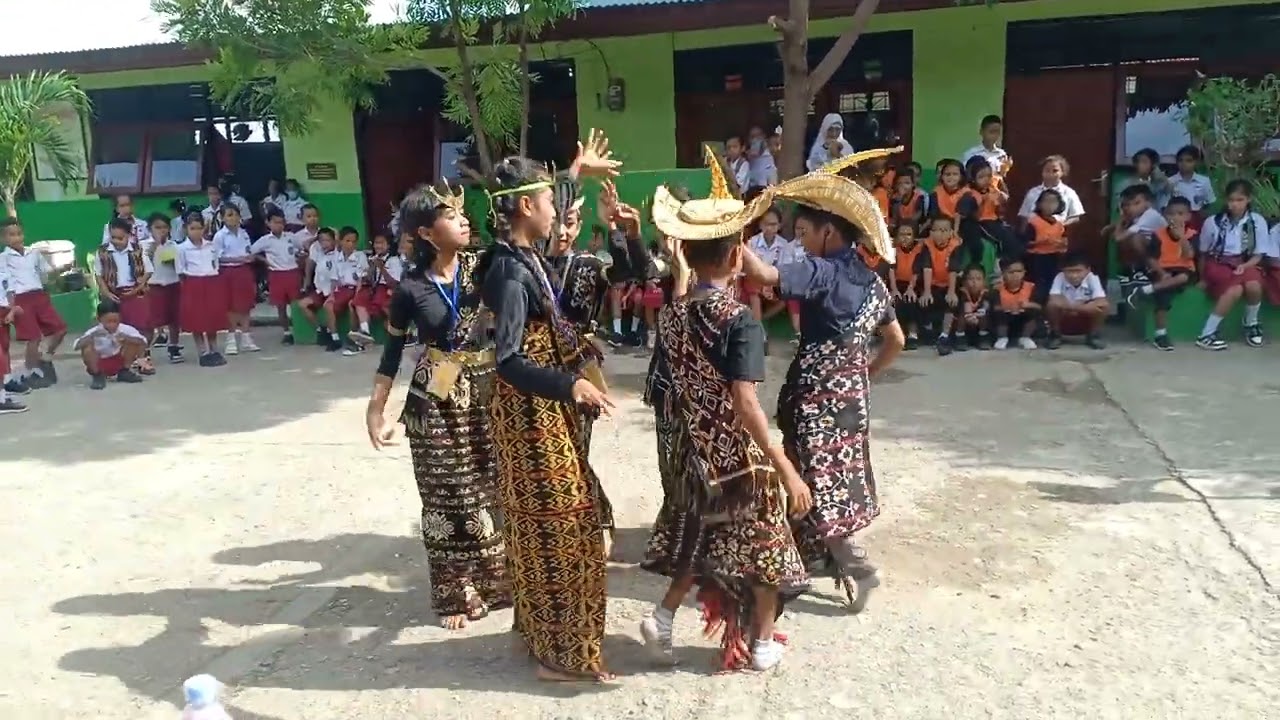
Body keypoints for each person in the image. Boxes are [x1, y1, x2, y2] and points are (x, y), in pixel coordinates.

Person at [642, 184, 809, 673]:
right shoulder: (740, 321)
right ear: (738, 253)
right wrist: (785, 469)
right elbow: (744, 400)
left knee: (702, 539)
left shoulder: (671, 315)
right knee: (767, 546)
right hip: (740, 457)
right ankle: (760, 644)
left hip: (696, 453)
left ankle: (664, 615)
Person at [477, 132, 619, 683]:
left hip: (541, 407)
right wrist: (571, 386)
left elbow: (549, 192)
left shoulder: (522, 253)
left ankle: (545, 634)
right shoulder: (511, 274)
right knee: (564, 525)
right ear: (525, 207)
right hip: (531, 412)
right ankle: (559, 654)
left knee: (549, 523)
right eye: (550, 201)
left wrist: (576, 169)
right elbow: (507, 359)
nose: (557, 209)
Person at [736, 167, 905, 614]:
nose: (802, 241)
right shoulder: (871, 280)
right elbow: (897, 341)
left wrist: (732, 231)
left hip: (817, 397)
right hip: (853, 394)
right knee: (832, 478)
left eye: (806, 231)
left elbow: (762, 275)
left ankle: (859, 566)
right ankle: (808, 562)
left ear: (830, 231)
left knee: (814, 482)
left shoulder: (821, 271)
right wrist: (864, 373)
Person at [365, 183, 511, 630]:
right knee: (445, 494)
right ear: (427, 233)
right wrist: (376, 409)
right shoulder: (409, 289)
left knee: (493, 484)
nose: (463, 220)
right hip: (435, 396)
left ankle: (496, 579)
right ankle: (456, 588)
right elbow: (392, 352)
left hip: (487, 392)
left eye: (463, 213)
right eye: (451, 216)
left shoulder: (484, 269)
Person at [543, 177, 647, 559]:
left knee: (574, 450)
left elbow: (632, 271)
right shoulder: (526, 263)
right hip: (535, 370)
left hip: (579, 370)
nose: (563, 231)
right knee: (544, 454)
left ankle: (596, 519)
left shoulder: (589, 265)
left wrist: (617, 227)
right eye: (557, 221)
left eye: (571, 222)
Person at [1195, 179, 1271, 350]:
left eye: (1240, 200)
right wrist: (1202, 278)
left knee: (1253, 285)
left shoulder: (1256, 222)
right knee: (1235, 290)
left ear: (1248, 199)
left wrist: (1245, 265)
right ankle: (1206, 334)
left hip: (1246, 262)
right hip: (1218, 263)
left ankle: (1251, 323)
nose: (1234, 205)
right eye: (1231, 200)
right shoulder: (1213, 222)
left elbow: (1258, 254)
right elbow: (1203, 253)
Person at [1, 217, 67, 389]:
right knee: (33, 338)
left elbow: (46, 274)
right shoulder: (3, 258)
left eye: (19, 234)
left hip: (39, 296)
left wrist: (54, 278)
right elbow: (6, 284)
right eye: (11, 235)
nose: (16, 238)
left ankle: (46, 358)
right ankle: (29, 373)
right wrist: (12, 306)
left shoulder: (34, 253)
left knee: (60, 329)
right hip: (21, 300)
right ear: (3, 239)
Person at [1125, 196, 1197, 350]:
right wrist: (1161, 272)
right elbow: (1151, 259)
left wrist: (1182, 237)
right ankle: (1160, 335)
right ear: (1165, 216)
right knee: (1164, 294)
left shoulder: (1191, 234)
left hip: (1184, 270)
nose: (1176, 217)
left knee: (1182, 277)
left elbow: (1188, 256)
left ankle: (1146, 290)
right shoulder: (1159, 234)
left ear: (1188, 216)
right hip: (1162, 270)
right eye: (1171, 214)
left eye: (1180, 214)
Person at [93, 218, 156, 375]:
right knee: (121, 329)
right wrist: (107, 293)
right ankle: (126, 359)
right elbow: (99, 275)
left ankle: (143, 357)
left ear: (129, 235)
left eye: (120, 238)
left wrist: (137, 288)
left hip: (136, 292)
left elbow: (148, 271)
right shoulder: (102, 252)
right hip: (115, 294)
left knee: (143, 327)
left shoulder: (137, 249)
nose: (116, 242)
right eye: (113, 238)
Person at [175, 213, 228, 367]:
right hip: (193, 283)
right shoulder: (181, 248)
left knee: (212, 317)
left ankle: (214, 349)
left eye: (199, 228)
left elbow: (215, 265)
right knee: (196, 319)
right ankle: (202, 351)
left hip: (211, 281)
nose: (196, 232)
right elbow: (181, 271)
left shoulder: (211, 246)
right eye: (192, 228)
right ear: (186, 229)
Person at [211, 204, 259, 355]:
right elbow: (217, 258)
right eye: (229, 215)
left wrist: (249, 258)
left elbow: (248, 251)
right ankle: (231, 338)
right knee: (231, 306)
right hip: (228, 272)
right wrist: (238, 258)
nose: (233, 218)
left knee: (246, 304)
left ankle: (246, 337)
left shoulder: (244, 233)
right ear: (222, 218)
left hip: (244, 271)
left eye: (236, 215)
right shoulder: (220, 236)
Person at [251, 209, 302, 345]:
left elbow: (301, 250)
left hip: (292, 272)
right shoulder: (265, 240)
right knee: (281, 306)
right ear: (268, 223)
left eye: (281, 222)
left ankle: (299, 330)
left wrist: (299, 256)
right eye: (275, 222)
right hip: (276, 274)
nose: (278, 225)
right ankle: (286, 332)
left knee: (296, 304)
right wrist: (264, 261)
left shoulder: (291, 237)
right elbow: (251, 252)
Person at [73, 300, 147, 390]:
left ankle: (124, 371)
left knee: (133, 342)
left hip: (119, 359)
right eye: (108, 321)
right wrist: (91, 337)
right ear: (99, 319)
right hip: (100, 362)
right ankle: (97, 375)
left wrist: (126, 338)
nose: (112, 325)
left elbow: (143, 341)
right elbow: (77, 346)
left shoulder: (124, 329)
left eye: (115, 321)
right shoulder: (94, 331)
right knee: (87, 347)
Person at [1111, 183, 1169, 296]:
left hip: (1166, 250)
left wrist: (1121, 220)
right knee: (1127, 240)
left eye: (1137, 203)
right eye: (1128, 205)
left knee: (1134, 239)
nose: (1131, 208)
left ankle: (1154, 271)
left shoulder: (1150, 215)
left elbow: (1117, 237)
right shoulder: (1137, 217)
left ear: (1148, 203)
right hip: (1153, 248)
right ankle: (1130, 271)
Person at [957, 156, 1015, 266]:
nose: (987, 179)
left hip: (994, 220)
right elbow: (974, 216)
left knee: (1012, 237)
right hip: (980, 222)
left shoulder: (993, 189)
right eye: (981, 177)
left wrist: (1001, 197)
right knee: (999, 241)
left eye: (989, 176)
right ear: (973, 178)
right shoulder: (970, 193)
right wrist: (983, 201)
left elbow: (1004, 201)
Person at [1045, 252, 1109, 349]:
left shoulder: (1093, 278)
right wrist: (1080, 306)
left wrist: (1075, 307)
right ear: (1063, 270)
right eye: (1070, 271)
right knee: (1051, 306)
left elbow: (1101, 301)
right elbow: (1053, 299)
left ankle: (1093, 335)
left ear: (1088, 270)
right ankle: (1055, 335)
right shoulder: (1060, 277)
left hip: (1084, 318)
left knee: (1104, 307)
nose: (1074, 275)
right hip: (1065, 317)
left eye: (1078, 271)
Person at [919, 215, 963, 355]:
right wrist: (926, 291)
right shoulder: (927, 246)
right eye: (937, 230)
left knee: (953, 301)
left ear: (951, 233)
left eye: (945, 230)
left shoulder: (955, 245)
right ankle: (927, 330)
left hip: (950, 284)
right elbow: (927, 267)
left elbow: (953, 268)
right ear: (931, 233)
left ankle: (944, 336)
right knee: (923, 300)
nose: (940, 233)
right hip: (931, 283)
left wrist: (951, 291)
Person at [349, 232, 402, 347]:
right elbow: (370, 280)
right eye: (376, 243)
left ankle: (402, 335)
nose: (378, 246)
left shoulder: (394, 260)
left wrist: (381, 267)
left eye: (382, 243)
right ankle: (365, 330)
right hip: (375, 288)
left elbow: (394, 283)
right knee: (360, 298)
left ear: (388, 245)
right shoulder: (373, 259)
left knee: (382, 303)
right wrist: (370, 270)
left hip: (388, 288)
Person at [1019, 187, 1068, 311]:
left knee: (1052, 286)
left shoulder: (1059, 224)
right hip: (1037, 259)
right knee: (1038, 288)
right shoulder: (1034, 222)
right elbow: (1025, 244)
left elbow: (1064, 242)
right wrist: (1041, 242)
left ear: (1059, 205)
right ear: (1039, 204)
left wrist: (1062, 244)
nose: (1049, 205)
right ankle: (1035, 312)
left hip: (1054, 258)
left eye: (1053, 202)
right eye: (1046, 201)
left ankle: (1048, 314)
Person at [146, 213, 185, 364]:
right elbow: (143, 265)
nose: (161, 231)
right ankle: (145, 350)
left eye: (164, 227)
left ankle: (174, 346)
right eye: (157, 227)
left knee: (174, 318)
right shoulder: (145, 246)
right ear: (150, 229)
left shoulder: (174, 246)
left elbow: (179, 267)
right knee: (151, 320)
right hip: (154, 285)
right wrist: (154, 248)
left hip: (172, 284)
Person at [743, 205, 791, 323]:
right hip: (755, 280)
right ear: (760, 225)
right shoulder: (752, 242)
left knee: (789, 296)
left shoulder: (784, 244)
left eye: (773, 225)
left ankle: (759, 322)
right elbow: (749, 269)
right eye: (766, 224)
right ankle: (759, 330)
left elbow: (784, 269)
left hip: (774, 283)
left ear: (779, 226)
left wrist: (770, 284)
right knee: (754, 291)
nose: (769, 228)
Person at [299, 228, 342, 351]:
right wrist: (316, 238)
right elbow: (306, 244)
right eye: (322, 240)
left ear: (334, 241)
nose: (325, 243)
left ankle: (335, 338)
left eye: (328, 240)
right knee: (303, 305)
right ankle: (321, 329)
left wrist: (334, 234)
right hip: (320, 290)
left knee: (328, 307)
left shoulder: (338, 253)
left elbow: (337, 238)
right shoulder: (318, 252)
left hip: (334, 290)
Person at [328, 227, 370, 355]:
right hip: (342, 289)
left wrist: (356, 297)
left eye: (353, 241)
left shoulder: (360, 256)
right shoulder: (336, 258)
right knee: (328, 305)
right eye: (347, 241)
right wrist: (331, 295)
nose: (350, 244)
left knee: (352, 305)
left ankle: (356, 337)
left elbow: (361, 280)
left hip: (357, 288)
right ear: (340, 241)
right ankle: (334, 338)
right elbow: (334, 280)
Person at [1017, 155, 1085, 227]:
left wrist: (1060, 227)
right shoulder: (1033, 193)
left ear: (1062, 172)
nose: (1051, 174)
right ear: (1042, 172)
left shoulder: (1069, 193)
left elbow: (1075, 216)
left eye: (1055, 171)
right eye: (1047, 170)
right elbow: (1024, 216)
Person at [890, 222, 928, 349]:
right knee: (895, 300)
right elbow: (891, 270)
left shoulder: (920, 250)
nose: (905, 237)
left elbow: (917, 270)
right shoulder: (893, 250)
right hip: (897, 283)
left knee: (910, 300)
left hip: (915, 284)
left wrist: (911, 288)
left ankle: (913, 334)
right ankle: (899, 335)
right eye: (902, 234)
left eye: (908, 234)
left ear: (914, 237)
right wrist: (894, 289)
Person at [991, 257, 1040, 350]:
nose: (1015, 275)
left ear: (1024, 272)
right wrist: (1008, 307)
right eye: (1011, 272)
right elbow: (994, 307)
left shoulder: (1031, 287)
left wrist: (1027, 305)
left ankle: (1025, 338)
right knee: (998, 314)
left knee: (1033, 311)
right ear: (1003, 274)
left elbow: (1039, 306)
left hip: (1023, 318)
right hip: (1005, 320)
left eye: (1019, 271)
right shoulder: (997, 289)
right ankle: (1002, 338)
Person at [0, 261, 27, 413]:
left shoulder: (3, 269)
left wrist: (12, 310)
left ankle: (2, 395)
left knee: (3, 351)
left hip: (3, 313)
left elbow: (9, 292)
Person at [1170, 145, 1215, 232]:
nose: (1184, 164)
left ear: (1196, 162)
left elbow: (1209, 202)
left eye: (1188, 160)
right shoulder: (1171, 182)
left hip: (1198, 219)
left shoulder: (1204, 181)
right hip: (1178, 220)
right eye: (1180, 160)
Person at [952, 264, 993, 350]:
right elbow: (963, 307)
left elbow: (985, 308)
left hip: (979, 320)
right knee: (960, 316)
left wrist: (976, 316)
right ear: (964, 281)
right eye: (971, 279)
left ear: (984, 281)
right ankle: (960, 337)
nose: (974, 282)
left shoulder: (987, 293)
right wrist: (969, 316)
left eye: (978, 279)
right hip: (964, 321)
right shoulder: (961, 292)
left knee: (985, 316)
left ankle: (983, 337)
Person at [746, 125, 778, 191]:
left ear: (764, 137)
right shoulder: (747, 160)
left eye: (758, 135)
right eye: (752, 136)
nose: (755, 139)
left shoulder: (770, 158)